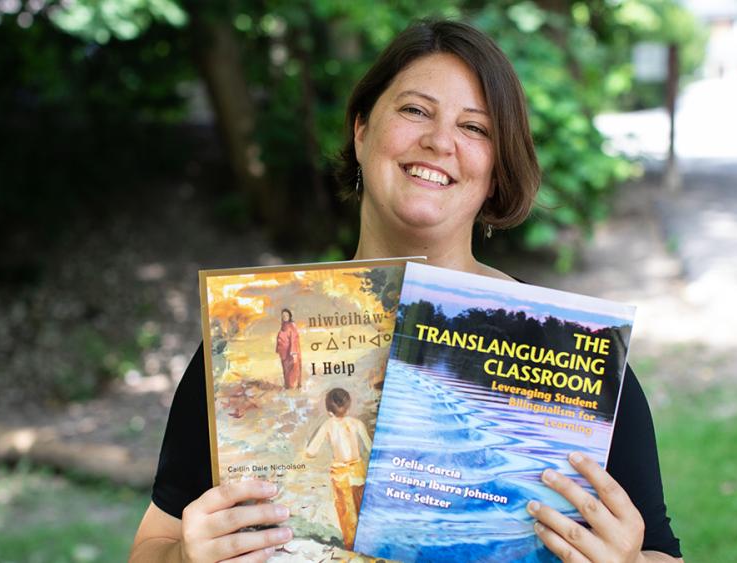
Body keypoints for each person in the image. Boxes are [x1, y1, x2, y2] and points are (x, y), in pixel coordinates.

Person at [130, 19, 683, 563]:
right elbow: (151, 547)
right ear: (362, 129)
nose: (439, 141)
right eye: (416, 110)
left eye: (475, 128)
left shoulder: (575, 357)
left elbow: (661, 554)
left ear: (495, 169)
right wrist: (184, 557)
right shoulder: (246, 334)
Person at [303, 388, 372, 551]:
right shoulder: (356, 423)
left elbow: (311, 451)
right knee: (362, 506)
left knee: (347, 513)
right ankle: (369, 541)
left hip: (341, 474)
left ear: (329, 411)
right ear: (348, 407)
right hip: (358, 470)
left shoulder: (328, 425)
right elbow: (369, 447)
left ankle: (352, 546)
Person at [275, 309, 302, 389]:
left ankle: (293, 387)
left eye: (286, 315)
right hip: (284, 353)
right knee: (286, 370)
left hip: (291, 353)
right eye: (283, 316)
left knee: (293, 369)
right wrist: (278, 349)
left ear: (290, 316)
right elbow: (280, 338)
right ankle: (288, 386)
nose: (284, 317)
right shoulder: (283, 326)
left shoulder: (292, 326)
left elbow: (294, 339)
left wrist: (293, 352)